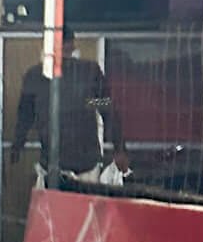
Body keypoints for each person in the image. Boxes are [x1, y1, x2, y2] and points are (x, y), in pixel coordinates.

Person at [11, 32, 129, 186]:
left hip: (66, 165)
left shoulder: (37, 77)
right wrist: (119, 149)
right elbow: (107, 110)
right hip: (75, 165)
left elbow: (25, 116)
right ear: (72, 45)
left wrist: (17, 145)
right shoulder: (87, 74)